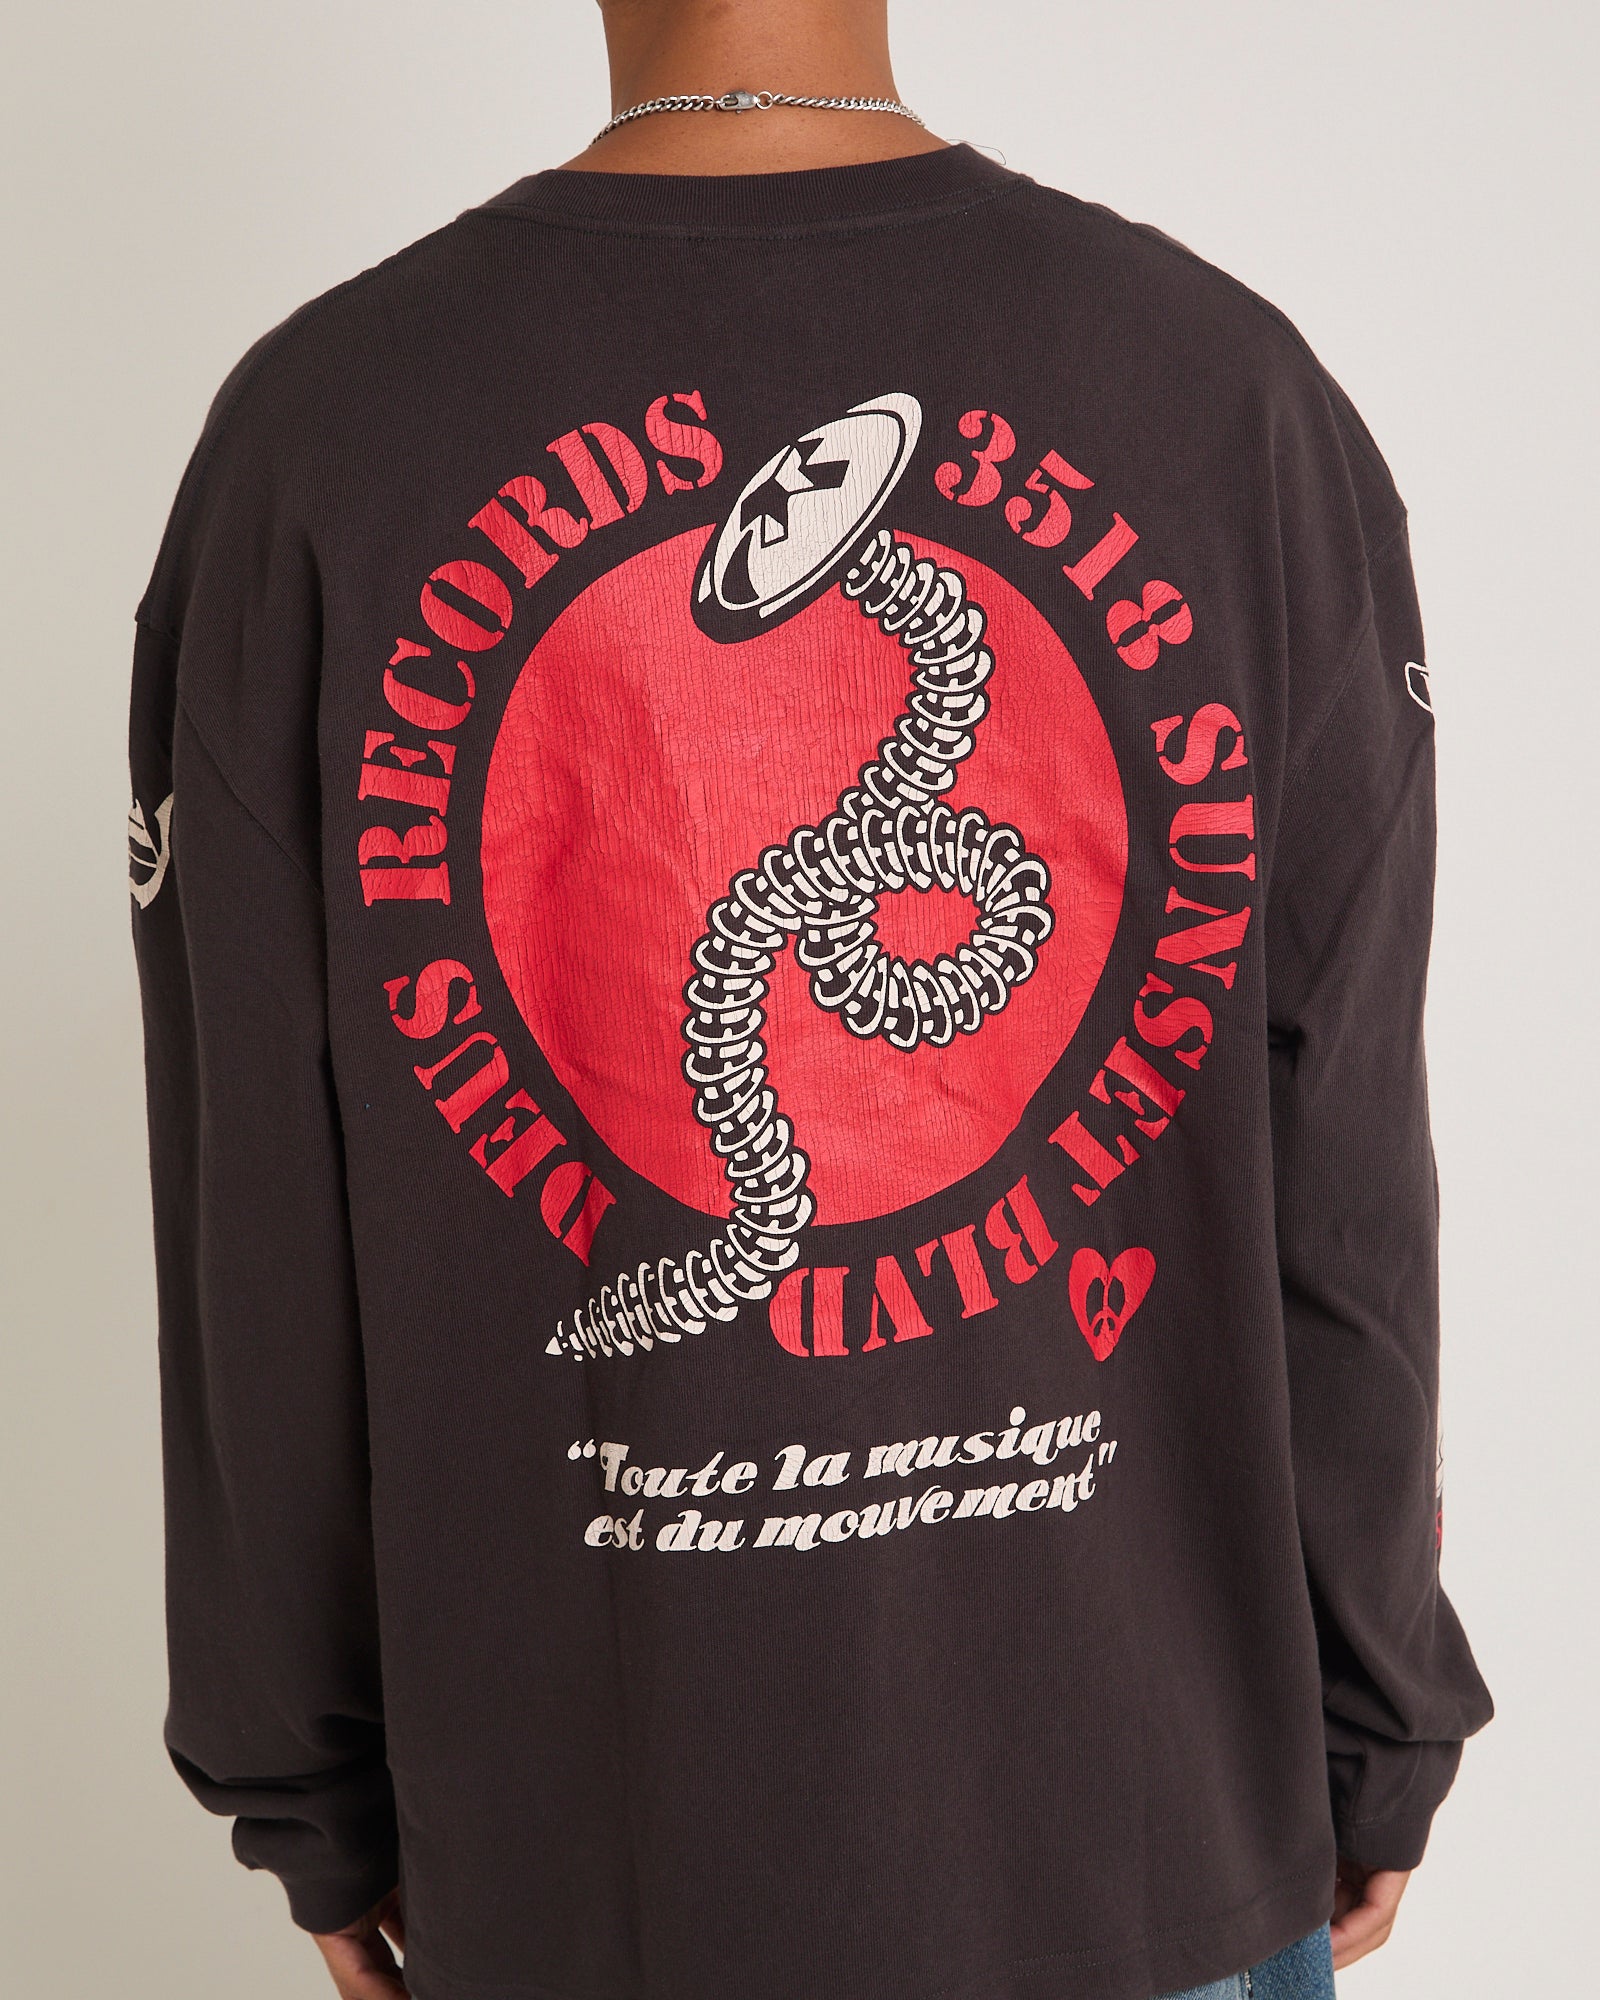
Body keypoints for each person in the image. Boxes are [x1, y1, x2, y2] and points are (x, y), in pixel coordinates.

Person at [126, 3, 1493, 1996]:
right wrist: (1380, 1705)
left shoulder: (315, 436)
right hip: (1153, 1826)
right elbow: (1345, 1167)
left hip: (593, 1869)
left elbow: (254, 1204)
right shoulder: (1227, 392)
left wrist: (302, 1771)